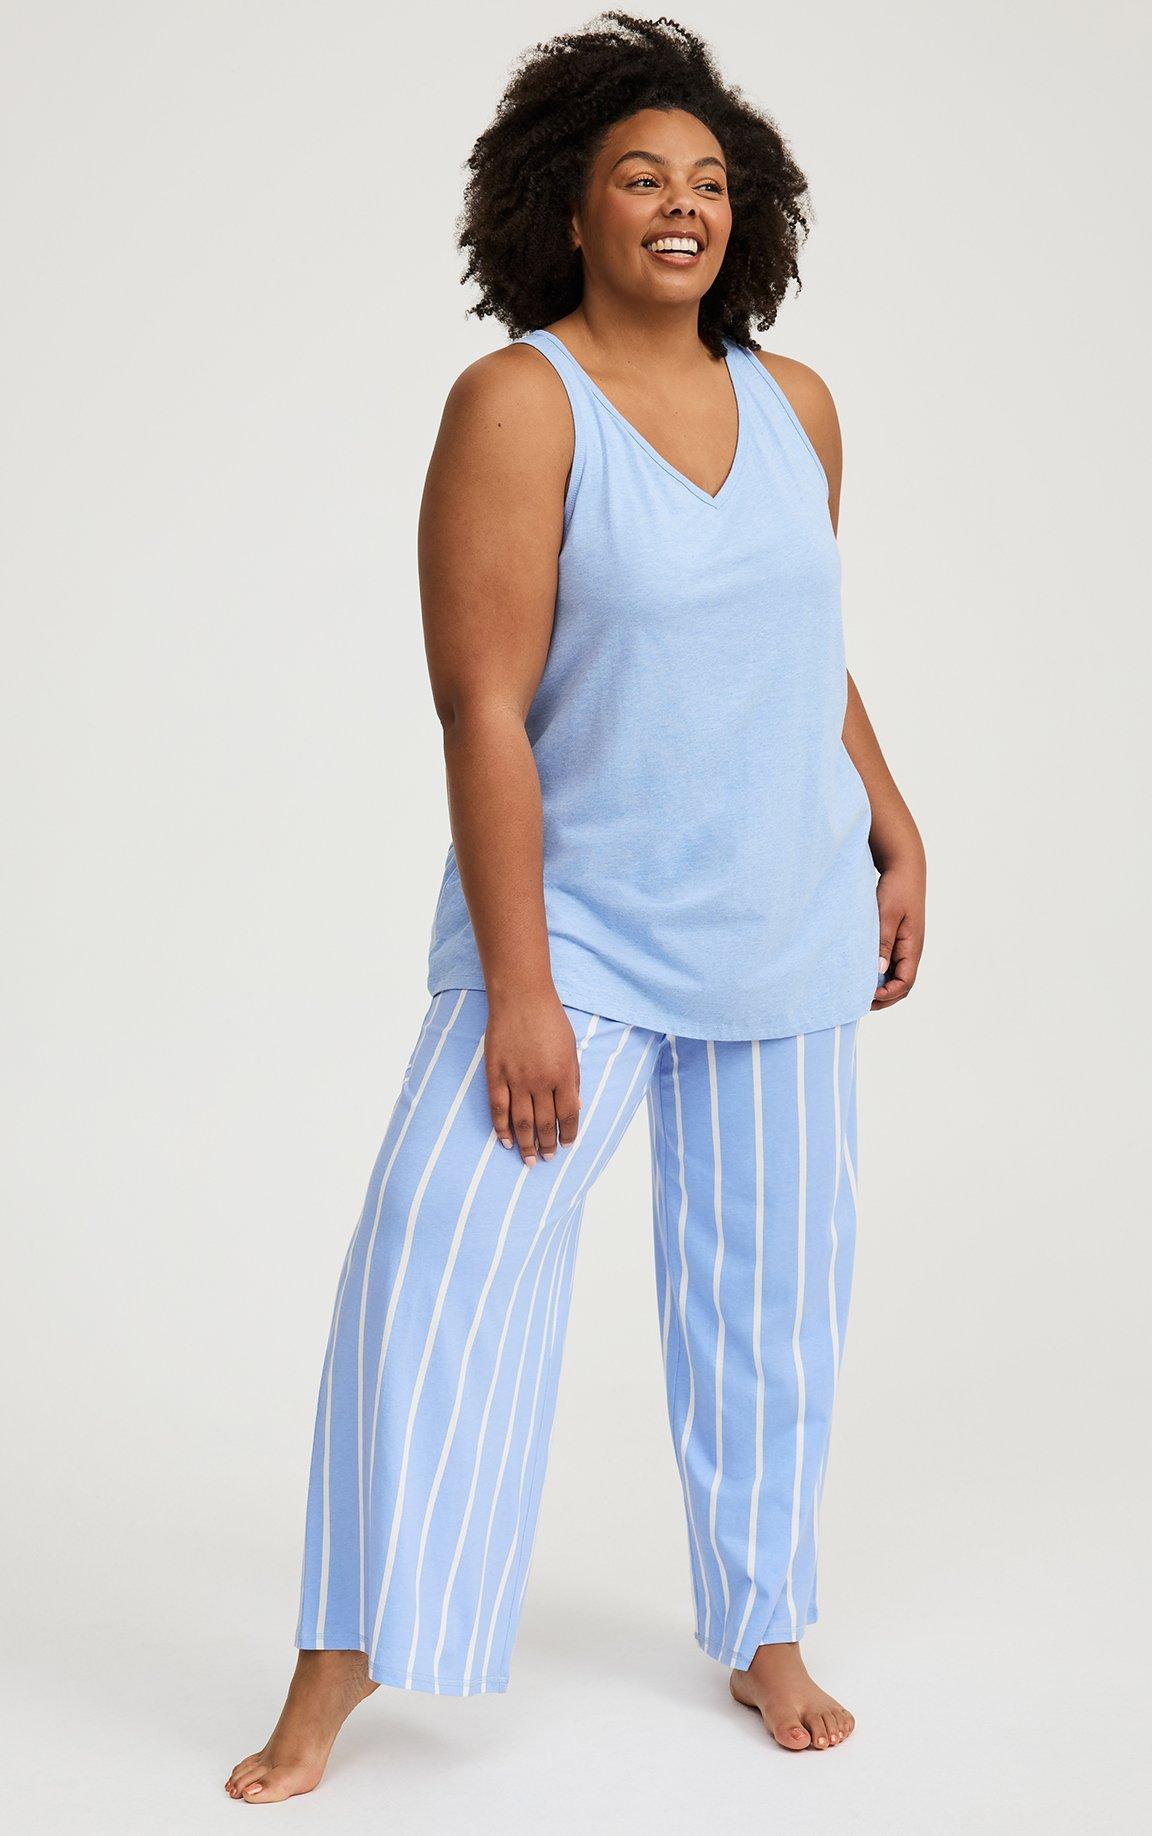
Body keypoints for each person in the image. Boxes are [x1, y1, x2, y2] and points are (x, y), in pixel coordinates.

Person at [226, 10, 925, 1802]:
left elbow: (799, 643)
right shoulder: (519, 405)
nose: (682, 206)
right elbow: (482, 709)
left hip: (784, 923)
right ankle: (337, 1666)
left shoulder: (797, 404)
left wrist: (891, 817)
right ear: (567, 208)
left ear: (745, 215)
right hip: (582, 940)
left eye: (710, 182)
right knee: (434, 1273)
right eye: (640, 178)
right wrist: (521, 987)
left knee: (773, 1306)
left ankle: (766, 1627)